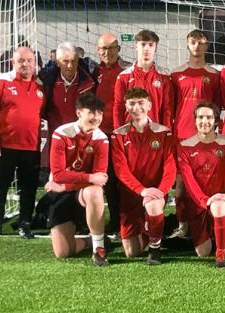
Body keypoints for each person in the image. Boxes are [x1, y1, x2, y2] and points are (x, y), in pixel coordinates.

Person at [0, 47, 44, 239]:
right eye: (21, 61)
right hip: (4, 146)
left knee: (29, 188)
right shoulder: (0, 82)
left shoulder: (40, 86)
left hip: (31, 147)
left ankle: (25, 224)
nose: (25, 64)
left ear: (35, 63)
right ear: (13, 63)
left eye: (29, 60)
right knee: (0, 187)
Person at [110, 88, 176, 265]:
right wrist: (141, 190)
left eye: (141, 103)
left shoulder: (164, 133)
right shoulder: (118, 135)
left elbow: (170, 168)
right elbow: (121, 170)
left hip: (155, 194)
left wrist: (160, 191)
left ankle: (155, 249)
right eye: (132, 103)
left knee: (153, 206)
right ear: (126, 106)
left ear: (149, 105)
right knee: (131, 253)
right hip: (130, 198)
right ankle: (155, 228)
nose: (136, 107)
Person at [44, 93, 110, 266]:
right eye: (92, 112)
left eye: (100, 113)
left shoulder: (101, 138)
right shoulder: (62, 133)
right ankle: (88, 241)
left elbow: (100, 179)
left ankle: (98, 248)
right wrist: (88, 177)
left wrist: (64, 185)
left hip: (81, 193)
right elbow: (58, 174)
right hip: (63, 194)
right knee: (63, 253)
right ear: (79, 112)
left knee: (95, 191)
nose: (96, 118)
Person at [177, 101, 225, 268]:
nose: (204, 121)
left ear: (216, 121)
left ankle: (221, 254)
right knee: (202, 251)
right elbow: (189, 181)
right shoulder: (185, 146)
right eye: (200, 117)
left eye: (209, 117)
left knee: (219, 207)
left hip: (220, 201)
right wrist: (204, 200)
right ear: (195, 120)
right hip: (198, 203)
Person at [169, 29, 222, 239]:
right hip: (182, 136)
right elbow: (171, 107)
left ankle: (208, 223)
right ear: (187, 44)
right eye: (193, 42)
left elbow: (218, 107)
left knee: (208, 182)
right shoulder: (176, 74)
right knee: (181, 188)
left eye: (201, 43)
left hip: (207, 138)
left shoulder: (215, 75)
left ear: (207, 46)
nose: (197, 46)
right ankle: (182, 225)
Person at [93, 32, 132, 236]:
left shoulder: (127, 71)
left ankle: (132, 221)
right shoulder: (92, 72)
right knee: (106, 180)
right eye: (102, 48)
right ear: (97, 50)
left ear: (118, 49)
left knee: (125, 179)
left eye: (110, 48)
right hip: (100, 136)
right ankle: (116, 220)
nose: (106, 52)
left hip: (124, 135)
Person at [113, 29, 173, 129]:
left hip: (155, 133)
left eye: (151, 45)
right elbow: (118, 108)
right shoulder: (124, 76)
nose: (146, 49)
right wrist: (119, 132)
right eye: (143, 44)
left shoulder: (165, 77)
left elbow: (167, 108)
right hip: (130, 134)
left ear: (156, 48)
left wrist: (166, 131)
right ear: (136, 46)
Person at [40, 42, 95, 138]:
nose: (70, 66)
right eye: (65, 61)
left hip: (80, 138)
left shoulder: (89, 84)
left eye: (73, 61)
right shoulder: (47, 83)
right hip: (56, 136)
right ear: (57, 62)